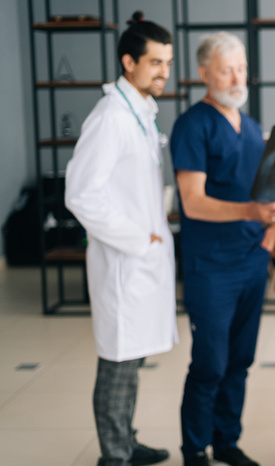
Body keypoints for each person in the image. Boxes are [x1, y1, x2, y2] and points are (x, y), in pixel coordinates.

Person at [170, 31, 275, 466]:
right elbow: (193, 201)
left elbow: (265, 189)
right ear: (204, 74)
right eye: (226, 69)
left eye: (241, 69)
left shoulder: (251, 125)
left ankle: (226, 441)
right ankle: (194, 448)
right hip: (212, 266)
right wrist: (250, 214)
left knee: (240, 359)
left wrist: (270, 232)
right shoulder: (192, 125)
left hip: (252, 260)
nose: (237, 77)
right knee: (210, 363)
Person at [64, 11, 176, 466]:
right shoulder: (111, 117)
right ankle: (113, 456)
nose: (164, 72)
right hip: (124, 260)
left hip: (139, 259)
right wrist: (140, 239)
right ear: (128, 62)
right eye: (155, 63)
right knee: (117, 363)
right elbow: (81, 195)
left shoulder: (139, 113)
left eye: (167, 63)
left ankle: (126, 441)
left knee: (129, 362)